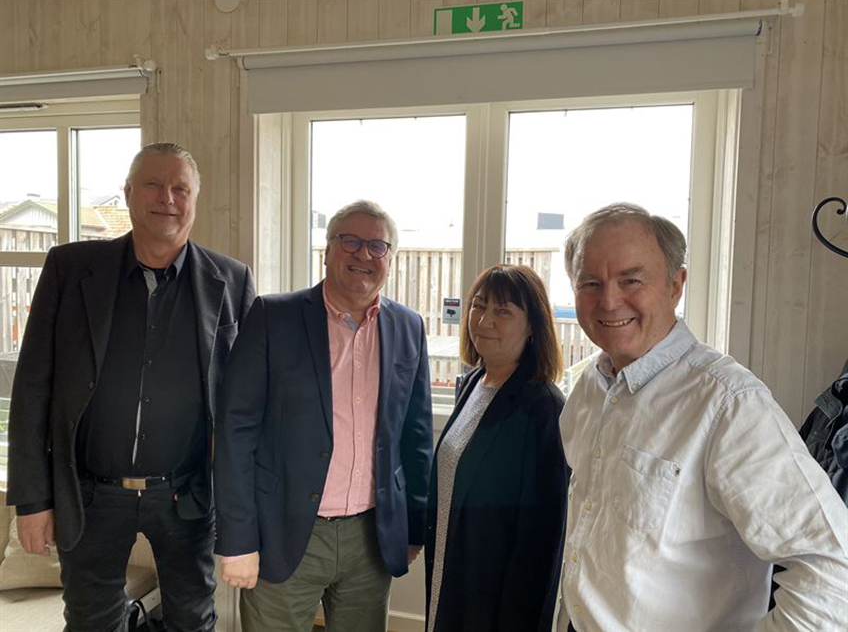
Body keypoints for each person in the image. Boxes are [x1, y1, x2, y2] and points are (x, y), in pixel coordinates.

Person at [557, 203, 848, 631]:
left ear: (676, 285)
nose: (609, 300)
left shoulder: (728, 403)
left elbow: (834, 571)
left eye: (631, 279)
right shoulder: (588, 389)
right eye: (590, 283)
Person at [5, 142, 256, 631]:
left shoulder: (231, 280)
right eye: (153, 185)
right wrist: (32, 502)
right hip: (90, 495)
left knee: (192, 621)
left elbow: (246, 406)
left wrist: (242, 513)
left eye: (180, 188)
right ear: (127, 193)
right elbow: (32, 388)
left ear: (195, 199)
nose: (167, 198)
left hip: (187, 497)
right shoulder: (70, 269)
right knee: (91, 623)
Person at [214, 200, 433, 632]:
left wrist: (413, 527)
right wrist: (238, 539)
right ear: (327, 251)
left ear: (390, 258)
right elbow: (235, 430)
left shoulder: (409, 327)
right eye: (349, 241)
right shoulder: (272, 316)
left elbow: (416, 434)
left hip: (371, 536)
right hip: (283, 529)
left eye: (377, 246)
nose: (363, 254)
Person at [425, 264, 568, 632]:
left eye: (503, 311)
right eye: (479, 305)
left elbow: (543, 537)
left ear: (533, 325)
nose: (484, 320)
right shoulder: (474, 382)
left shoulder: (544, 407)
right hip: (450, 566)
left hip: (497, 600)